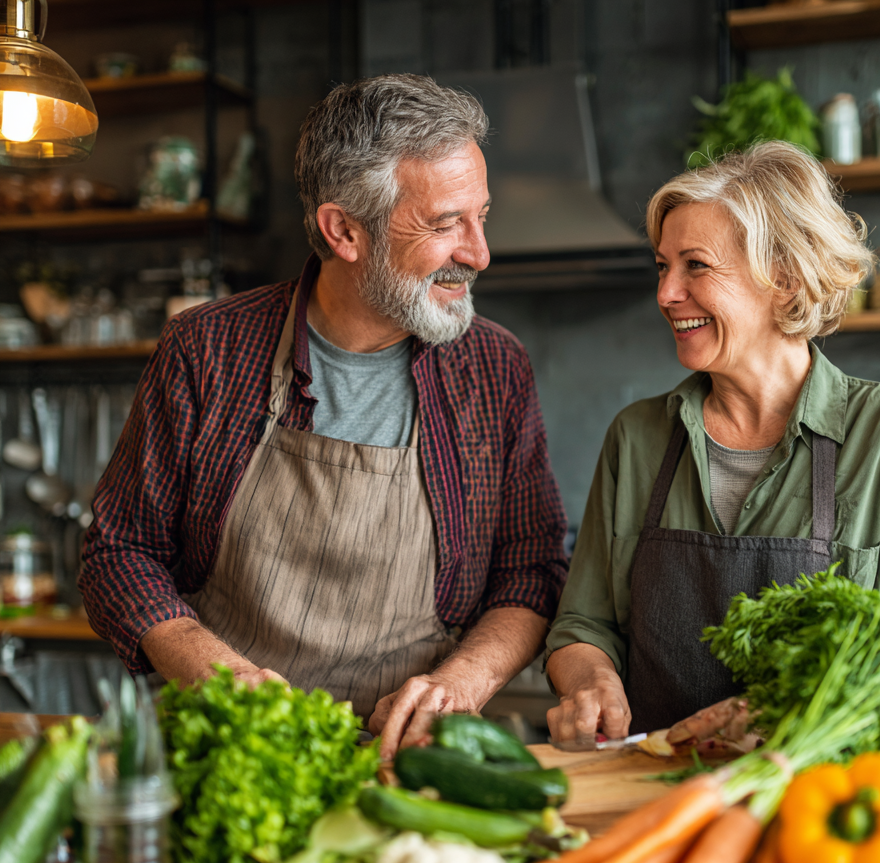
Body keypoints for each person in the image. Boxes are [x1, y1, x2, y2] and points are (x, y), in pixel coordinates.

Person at [80, 75, 568, 759]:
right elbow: (119, 552)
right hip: (226, 746)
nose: (479, 253)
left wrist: (459, 685)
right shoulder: (208, 349)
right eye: (444, 223)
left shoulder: (493, 369)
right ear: (343, 230)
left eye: (480, 216)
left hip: (413, 756)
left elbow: (531, 568)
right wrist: (216, 677)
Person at [544, 141, 880, 743]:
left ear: (786, 278)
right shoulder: (637, 438)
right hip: (652, 797)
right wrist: (591, 681)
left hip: (817, 805)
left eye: (695, 265)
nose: (666, 293)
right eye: (662, 266)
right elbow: (582, 624)